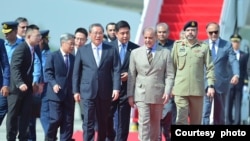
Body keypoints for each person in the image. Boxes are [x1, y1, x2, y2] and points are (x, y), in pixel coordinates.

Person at [72, 23, 121, 141]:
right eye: (95, 33)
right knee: (88, 122)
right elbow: (76, 72)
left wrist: (116, 88)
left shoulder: (111, 49)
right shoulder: (82, 50)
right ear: (89, 35)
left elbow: (116, 70)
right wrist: (76, 91)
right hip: (88, 92)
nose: (98, 35)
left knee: (103, 122)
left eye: (100, 33)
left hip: (105, 92)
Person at [127, 27, 175, 141]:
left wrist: (167, 91)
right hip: (141, 92)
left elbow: (169, 75)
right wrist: (130, 95)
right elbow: (132, 75)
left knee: (155, 122)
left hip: (158, 93)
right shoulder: (135, 53)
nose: (148, 40)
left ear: (156, 37)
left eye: (150, 38)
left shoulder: (165, 53)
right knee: (143, 121)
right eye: (146, 38)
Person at [171, 21, 215, 125]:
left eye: (193, 30)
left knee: (196, 121)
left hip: (197, 90)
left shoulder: (203, 47)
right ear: (184, 32)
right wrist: (170, 86)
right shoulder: (177, 46)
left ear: (197, 32)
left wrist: (211, 85)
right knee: (181, 120)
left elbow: (210, 67)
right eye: (188, 30)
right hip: (180, 89)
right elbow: (172, 67)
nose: (190, 32)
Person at [6, 24, 41, 141]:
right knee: (13, 116)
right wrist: (20, 83)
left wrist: (34, 83)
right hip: (16, 90)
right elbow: (14, 68)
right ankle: (10, 138)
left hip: (27, 90)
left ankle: (23, 138)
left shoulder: (33, 49)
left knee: (26, 116)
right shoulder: (21, 48)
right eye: (37, 36)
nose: (40, 38)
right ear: (29, 36)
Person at [106, 20, 139, 141]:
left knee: (124, 122)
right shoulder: (107, 47)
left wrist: (129, 76)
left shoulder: (135, 49)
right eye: (122, 33)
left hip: (126, 91)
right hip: (110, 90)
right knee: (107, 117)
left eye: (127, 33)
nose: (125, 36)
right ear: (116, 33)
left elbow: (140, 71)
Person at [202, 22, 239, 125]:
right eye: (211, 32)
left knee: (219, 114)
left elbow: (233, 60)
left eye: (216, 32)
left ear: (219, 31)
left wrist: (236, 74)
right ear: (206, 32)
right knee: (204, 112)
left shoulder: (226, 45)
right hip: (205, 83)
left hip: (221, 83)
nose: (213, 34)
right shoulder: (202, 45)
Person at [44, 33, 75, 141]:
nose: (73, 46)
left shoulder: (73, 58)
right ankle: (49, 138)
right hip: (55, 95)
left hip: (69, 95)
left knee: (67, 122)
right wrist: (54, 84)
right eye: (71, 44)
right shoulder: (53, 56)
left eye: (73, 44)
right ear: (63, 43)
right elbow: (48, 72)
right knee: (55, 119)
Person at [156, 22, 176, 141]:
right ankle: (158, 136)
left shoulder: (175, 45)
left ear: (168, 33)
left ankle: (167, 133)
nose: (162, 34)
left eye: (164, 32)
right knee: (157, 113)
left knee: (168, 112)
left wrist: (174, 86)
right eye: (159, 32)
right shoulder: (153, 46)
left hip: (170, 85)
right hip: (156, 85)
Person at [225, 34, 248, 125]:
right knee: (228, 103)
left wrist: (246, 83)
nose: (235, 44)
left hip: (240, 83)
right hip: (229, 82)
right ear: (231, 42)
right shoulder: (227, 55)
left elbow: (246, 69)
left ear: (240, 43)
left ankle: (237, 122)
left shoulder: (244, 55)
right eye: (234, 42)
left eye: (237, 42)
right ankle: (228, 122)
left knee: (238, 103)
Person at [39, 30, 51, 135]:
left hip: (46, 87)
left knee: (45, 114)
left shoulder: (49, 54)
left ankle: (50, 136)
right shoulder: (31, 51)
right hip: (32, 86)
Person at [0, 38, 10, 126]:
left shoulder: (0, 42)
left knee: (2, 107)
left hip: (1, 86)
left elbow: (6, 65)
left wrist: (5, 84)